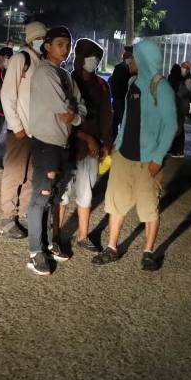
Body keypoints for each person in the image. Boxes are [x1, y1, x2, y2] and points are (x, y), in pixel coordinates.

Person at [92, 40, 177, 271]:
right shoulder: (132, 83)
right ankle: (111, 247)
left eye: (134, 56)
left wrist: (158, 159)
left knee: (149, 207)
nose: (130, 60)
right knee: (116, 204)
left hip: (147, 161)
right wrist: (117, 145)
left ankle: (148, 252)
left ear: (145, 59)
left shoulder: (162, 88)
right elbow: (127, 118)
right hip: (124, 156)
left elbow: (171, 125)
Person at [23, 27, 84, 276]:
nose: (65, 49)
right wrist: (74, 113)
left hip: (62, 144)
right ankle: (35, 251)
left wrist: (74, 114)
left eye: (68, 45)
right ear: (47, 46)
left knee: (55, 196)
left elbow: (79, 109)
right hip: (46, 143)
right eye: (60, 44)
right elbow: (65, 110)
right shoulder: (45, 74)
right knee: (41, 197)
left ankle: (49, 242)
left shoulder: (65, 75)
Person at [0, 21, 48, 239]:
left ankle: (26, 213)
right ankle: (8, 218)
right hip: (20, 132)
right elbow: (7, 95)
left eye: (44, 37)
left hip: (37, 133)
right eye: (39, 38)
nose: (42, 41)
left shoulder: (42, 62)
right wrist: (17, 127)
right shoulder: (21, 59)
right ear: (30, 39)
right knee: (14, 174)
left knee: (30, 176)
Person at [68, 38, 114, 253]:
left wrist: (107, 143)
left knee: (86, 192)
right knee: (62, 193)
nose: (93, 61)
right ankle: (57, 233)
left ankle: (83, 235)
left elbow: (107, 116)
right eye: (89, 57)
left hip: (93, 150)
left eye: (97, 58)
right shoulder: (68, 82)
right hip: (68, 146)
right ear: (79, 58)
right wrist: (85, 137)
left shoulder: (101, 85)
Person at [168, 61, 191, 157]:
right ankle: (175, 149)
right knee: (177, 128)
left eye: (186, 67)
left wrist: (176, 82)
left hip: (181, 108)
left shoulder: (188, 81)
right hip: (178, 107)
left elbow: (182, 93)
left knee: (178, 130)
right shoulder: (181, 79)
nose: (183, 68)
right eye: (182, 66)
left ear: (189, 70)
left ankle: (178, 150)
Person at [109, 44, 134, 131]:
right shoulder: (119, 68)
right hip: (120, 100)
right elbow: (114, 84)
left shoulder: (135, 70)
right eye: (126, 56)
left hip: (126, 101)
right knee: (117, 123)